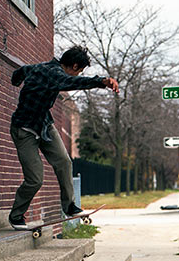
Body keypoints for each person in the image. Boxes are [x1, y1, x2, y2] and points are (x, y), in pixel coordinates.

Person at [8, 45, 119, 229]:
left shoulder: (38, 68)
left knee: (64, 161)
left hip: (44, 125)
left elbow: (20, 72)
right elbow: (76, 83)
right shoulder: (55, 75)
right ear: (74, 66)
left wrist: (16, 80)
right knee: (35, 179)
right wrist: (101, 81)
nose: (78, 74)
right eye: (80, 70)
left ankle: (69, 206)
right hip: (24, 129)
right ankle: (16, 215)